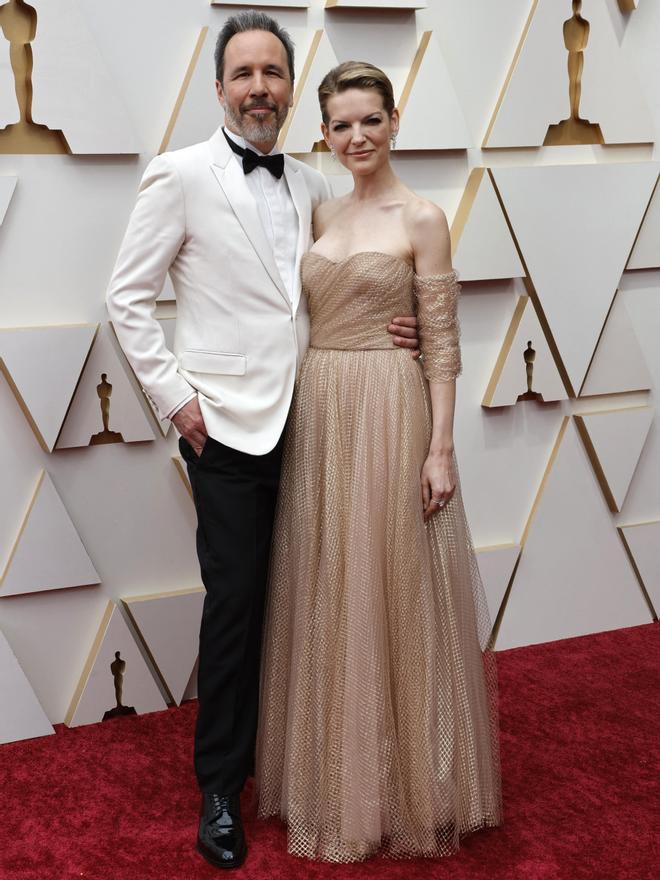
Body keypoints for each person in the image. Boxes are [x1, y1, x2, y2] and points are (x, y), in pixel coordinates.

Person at [106, 13, 419, 872]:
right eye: (243, 73)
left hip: (318, 422)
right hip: (226, 431)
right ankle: (220, 789)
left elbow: (357, 266)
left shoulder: (317, 180)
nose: (259, 88)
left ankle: (314, 767)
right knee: (237, 609)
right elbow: (125, 299)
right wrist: (178, 403)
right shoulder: (179, 176)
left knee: (318, 598)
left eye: (273, 73)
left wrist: (404, 327)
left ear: (291, 88)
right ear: (219, 88)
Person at [256, 61, 503, 862]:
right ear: (322, 134)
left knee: (390, 588)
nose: (356, 137)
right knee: (330, 585)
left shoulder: (424, 216)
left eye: (370, 120)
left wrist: (441, 448)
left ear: (395, 122)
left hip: (390, 412)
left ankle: (409, 787)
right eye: (340, 125)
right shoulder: (318, 207)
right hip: (320, 409)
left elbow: (443, 344)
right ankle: (332, 780)